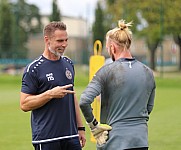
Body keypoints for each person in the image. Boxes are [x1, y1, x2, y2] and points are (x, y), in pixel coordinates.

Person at [79, 19, 156, 150]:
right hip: (141, 141)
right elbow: (148, 108)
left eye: (108, 48)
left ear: (112, 48)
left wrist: (94, 126)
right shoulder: (148, 72)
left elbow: (84, 101)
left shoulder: (106, 71)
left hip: (114, 142)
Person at [20, 21, 86, 150]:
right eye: (60, 41)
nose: (64, 44)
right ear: (47, 40)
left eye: (66, 40)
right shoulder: (34, 69)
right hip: (47, 138)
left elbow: (72, 96)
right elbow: (24, 104)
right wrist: (50, 94)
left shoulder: (68, 63)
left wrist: (80, 128)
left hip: (71, 136)